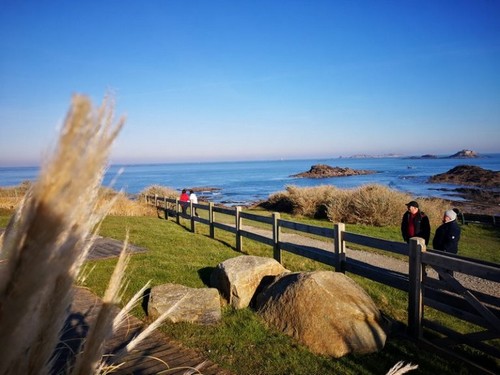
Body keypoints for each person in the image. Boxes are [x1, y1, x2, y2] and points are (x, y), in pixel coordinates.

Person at [433, 209, 461, 278]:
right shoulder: (446, 225)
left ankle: (447, 286)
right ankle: (442, 285)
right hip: (441, 251)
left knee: (447, 271)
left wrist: (444, 250)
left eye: (445, 216)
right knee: (441, 270)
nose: (443, 217)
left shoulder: (454, 227)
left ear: (450, 217)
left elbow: (451, 242)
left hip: (447, 253)